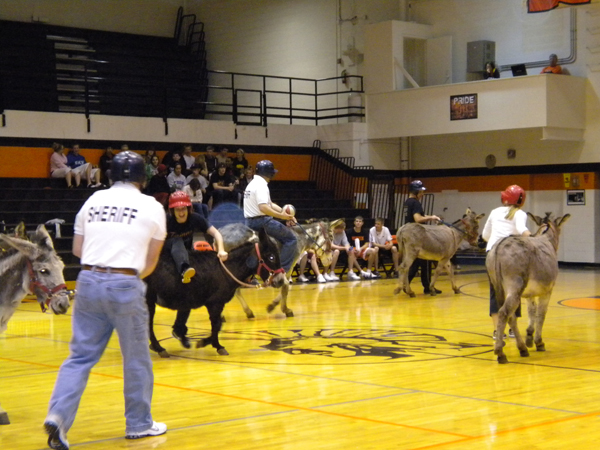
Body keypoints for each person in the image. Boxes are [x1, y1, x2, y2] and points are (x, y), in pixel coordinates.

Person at [44, 151, 167, 449]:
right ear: (142, 177)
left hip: (87, 280)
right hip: (125, 282)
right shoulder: (152, 206)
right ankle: (138, 424)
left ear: (111, 174)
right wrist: (127, 278)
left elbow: (77, 249)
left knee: (79, 357)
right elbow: (151, 262)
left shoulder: (92, 201)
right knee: (136, 359)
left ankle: (58, 416)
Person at [481, 184, 531, 339]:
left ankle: (497, 331)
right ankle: (512, 329)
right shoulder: (520, 213)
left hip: (492, 253)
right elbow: (523, 230)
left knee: (495, 292)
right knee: (514, 290)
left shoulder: (494, 212)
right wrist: (536, 240)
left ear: (505, 198)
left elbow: (485, 235)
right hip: (512, 255)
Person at [244, 160, 297, 275]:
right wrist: (281, 216)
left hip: (248, 221)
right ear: (269, 173)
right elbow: (263, 207)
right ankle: (281, 270)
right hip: (261, 221)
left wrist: (287, 215)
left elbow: (270, 204)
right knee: (291, 239)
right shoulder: (261, 185)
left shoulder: (253, 183)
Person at [165, 191, 227, 283]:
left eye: (183, 209)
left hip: (186, 253)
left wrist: (221, 250)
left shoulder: (195, 218)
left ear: (188, 209)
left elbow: (216, 233)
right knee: (177, 240)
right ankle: (184, 268)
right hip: (167, 254)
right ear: (172, 211)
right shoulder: (166, 220)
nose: (181, 213)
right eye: (177, 209)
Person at [403, 180, 442, 293]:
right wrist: (431, 218)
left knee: (415, 262)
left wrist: (433, 217)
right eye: (421, 192)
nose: (422, 194)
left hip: (410, 235)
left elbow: (420, 215)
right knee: (425, 261)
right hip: (418, 237)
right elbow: (418, 219)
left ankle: (408, 285)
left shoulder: (408, 202)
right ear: (415, 191)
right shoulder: (415, 203)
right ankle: (428, 287)